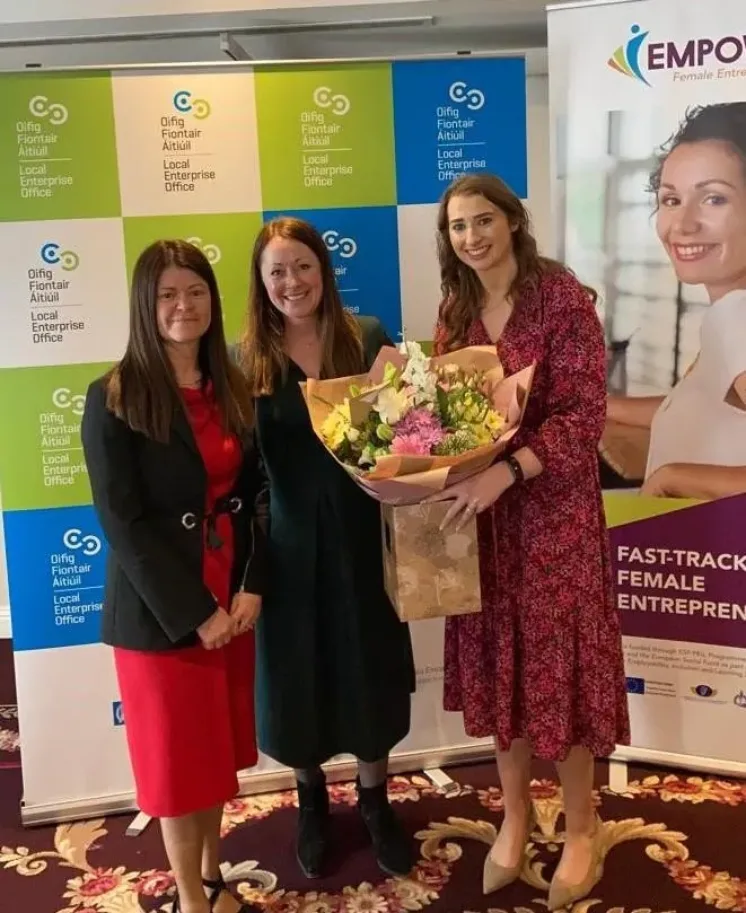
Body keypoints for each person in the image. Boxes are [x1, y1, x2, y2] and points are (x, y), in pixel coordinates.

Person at [426, 174, 630, 910]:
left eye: (484, 221)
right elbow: (448, 413)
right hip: (484, 524)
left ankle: (581, 824)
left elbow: (583, 420)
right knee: (501, 665)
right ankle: (513, 814)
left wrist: (506, 472)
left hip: (554, 518)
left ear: (513, 222)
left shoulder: (563, 300)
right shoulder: (454, 311)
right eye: (457, 227)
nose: (472, 237)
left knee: (560, 668)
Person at [81, 240, 268, 913]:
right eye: (167, 294)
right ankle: (192, 898)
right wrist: (196, 612)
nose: (183, 305)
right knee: (178, 767)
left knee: (215, 758)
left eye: (195, 291)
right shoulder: (113, 397)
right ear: (146, 305)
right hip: (162, 612)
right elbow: (123, 523)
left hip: (231, 596)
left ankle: (214, 874)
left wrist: (250, 584)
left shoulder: (235, 385)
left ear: (213, 302)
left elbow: (259, 492)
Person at [237, 216, 416, 880]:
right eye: (278, 270)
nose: (293, 282)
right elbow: (243, 471)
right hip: (284, 548)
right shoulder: (244, 360)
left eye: (303, 266)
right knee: (296, 680)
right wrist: (254, 563)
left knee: (368, 671)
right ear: (261, 282)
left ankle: (376, 801)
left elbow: (412, 429)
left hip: (364, 537)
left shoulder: (364, 337)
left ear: (324, 270)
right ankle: (310, 799)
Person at [607, 102, 746, 500]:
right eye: (671, 200)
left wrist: (677, 478)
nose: (683, 225)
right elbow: (698, 408)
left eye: (714, 199)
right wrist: (601, 406)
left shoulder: (736, 318)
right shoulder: (729, 312)